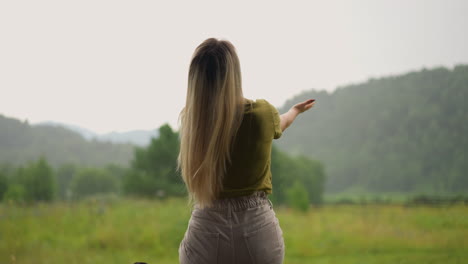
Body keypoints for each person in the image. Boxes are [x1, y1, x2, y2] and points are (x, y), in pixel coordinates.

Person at [177, 37, 315, 264]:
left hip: (206, 231)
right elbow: (282, 122)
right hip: (256, 230)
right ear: (234, 73)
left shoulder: (194, 121)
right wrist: (295, 111)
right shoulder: (260, 114)